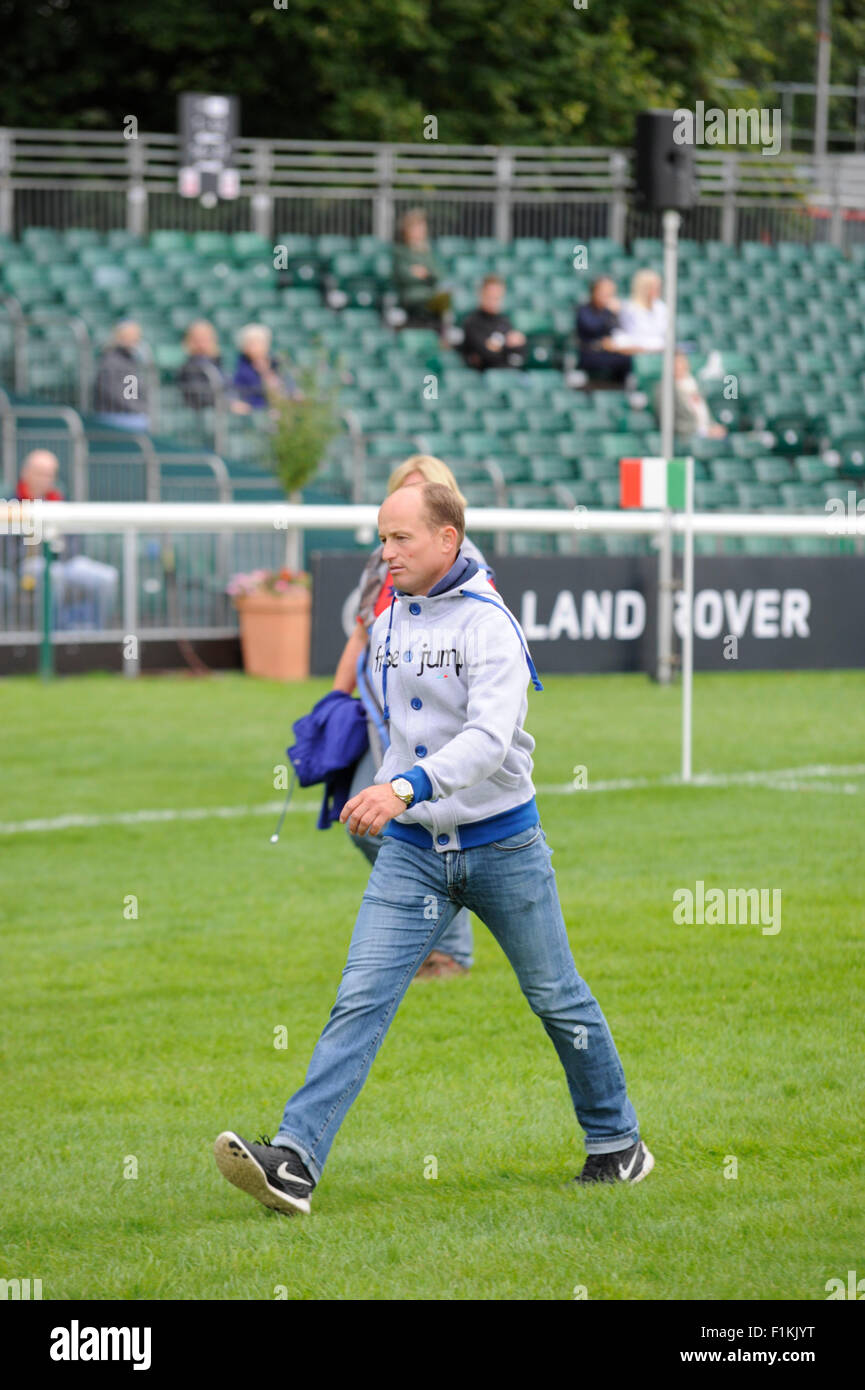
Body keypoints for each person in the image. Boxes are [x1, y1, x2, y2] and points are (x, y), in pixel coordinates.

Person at [214, 480, 653, 1216]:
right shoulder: (385, 624)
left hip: (504, 844)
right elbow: (396, 731)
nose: (384, 553)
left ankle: (618, 1145)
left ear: (447, 539)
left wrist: (404, 788)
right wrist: (375, 781)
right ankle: (293, 1160)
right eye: (380, 538)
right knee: (360, 999)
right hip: (412, 852)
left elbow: (486, 742)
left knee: (556, 997)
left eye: (400, 539)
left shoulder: (491, 626)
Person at [333, 454, 495, 980]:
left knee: (420, 824)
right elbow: (362, 631)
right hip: (382, 717)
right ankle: (429, 940)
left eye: (423, 491)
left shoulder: (466, 565)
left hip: (436, 724)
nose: (393, 546)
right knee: (368, 822)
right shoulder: (384, 559)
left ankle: (449, 950)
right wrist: (334, 702)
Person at [4, 450, 118, 628]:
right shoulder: (11, 503)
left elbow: (73, 541)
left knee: (107, 577)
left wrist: (60, 553)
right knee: (53, 574)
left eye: (50, 474)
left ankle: (97, 637)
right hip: (28, 564)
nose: (45, 479)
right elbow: (9, 549)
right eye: (40, 473)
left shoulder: (59, 501)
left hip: (66, 561)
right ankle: (53, 638)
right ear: (26, 473)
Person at [391, 209, 451, 330]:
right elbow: (404, 276)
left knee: (445, 298)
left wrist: (425, 274)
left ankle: (443, 336)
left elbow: (439, 275)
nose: (420, 231)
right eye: (416, 227)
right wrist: (425, 276)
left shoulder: (429, 253)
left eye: (421, 227)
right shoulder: (401, 252)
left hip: (430, 296)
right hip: (410, 296)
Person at [575, 276, 635, 385]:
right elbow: (592, 327)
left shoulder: (614, 312)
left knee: (631, 359)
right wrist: (608, 311)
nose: (608, 296)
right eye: (604, 292)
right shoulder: (584, 310)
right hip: (591, 353)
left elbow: (620, 331)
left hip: (613, 352)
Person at [654, 352, 727, 441]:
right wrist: (703, 431)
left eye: (682, 362)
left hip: (707, 434)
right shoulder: (664, 389)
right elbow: (669, 423)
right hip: (686, 438)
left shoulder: (695, 383)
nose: (679, 366)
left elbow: (705, 413)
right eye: (676, 363)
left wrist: (714, 427)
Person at [92, 320, 150, 431]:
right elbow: (112, 392)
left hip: (129, 414)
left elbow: (132, 390)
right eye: (132, 336)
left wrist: (139, 407)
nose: (136, 340)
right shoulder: (110, 360)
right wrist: (136, 408)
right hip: (112, 415)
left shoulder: (130, 360)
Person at [459, 275, 526, 371]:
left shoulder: (504, 320)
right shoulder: (471, 321)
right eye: (489, 296)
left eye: (497, 297)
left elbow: (519, 354)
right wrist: (507, 346)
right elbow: (487, 355)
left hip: (508, 373)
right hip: (481, 376)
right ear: (481, 294)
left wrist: (499, 347)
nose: (493, 301)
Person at [231, 324, 300, 411]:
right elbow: (246, 399)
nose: (258, 347)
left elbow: (291, 388)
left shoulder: (277, 365)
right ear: (245, 347)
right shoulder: (242, 372)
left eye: (261, 342)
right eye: (253, 343)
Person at [177, 320, 229, 409]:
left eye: (206, 338)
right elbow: (200, 396)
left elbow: (230, 387)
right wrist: (227, 404)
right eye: (198, 339)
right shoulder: (189, 368)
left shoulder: (217, 363)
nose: (202, 343)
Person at [614, 269, 668, 352]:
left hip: (659, 351)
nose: (657, 290)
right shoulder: (629, 308)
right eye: (652, 287)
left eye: (658, 287)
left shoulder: (661, 307)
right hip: (638, 352)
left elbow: (663, 334)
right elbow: (633, 336)